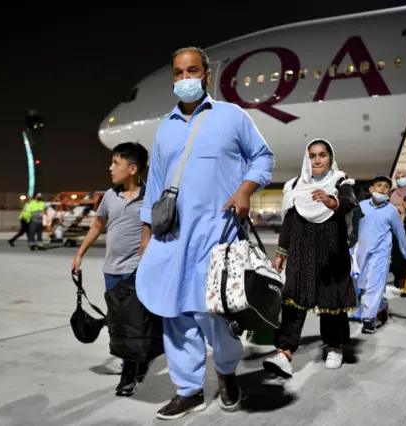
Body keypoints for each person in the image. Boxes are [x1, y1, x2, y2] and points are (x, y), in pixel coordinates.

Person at [137, 46, 274, 420]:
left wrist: (245, 189)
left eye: (192, 71)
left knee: (217, 313)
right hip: (172, 239)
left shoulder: (232, 117)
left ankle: (227, 375)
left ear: (207, 75)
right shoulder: (165, 127)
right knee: (175, 314)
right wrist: (146, 233)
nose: (185, 79)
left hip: (219, 235)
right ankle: (188, 390)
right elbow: (156, 186)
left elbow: (263, 157)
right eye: (178, 74)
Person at [263, 139, 357, 379]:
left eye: (323, 155)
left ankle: (335, 346)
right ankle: (284, 353)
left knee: (331, 302)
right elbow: (289, 222)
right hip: (300, 252)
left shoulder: (340, 181)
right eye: (313, 155)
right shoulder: (295, 185)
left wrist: (330, 201)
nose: (317, 160)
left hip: (330, 254)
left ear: (330, 157)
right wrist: (281, 253)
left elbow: (349, 205)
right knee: (293, 301)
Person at [71, 142, 150, 397]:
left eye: (116, 163)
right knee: (118, 321)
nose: (110, 167)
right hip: (111, 271)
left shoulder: (150, 197)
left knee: (132, 321)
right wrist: (80, 252)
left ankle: (130, 371)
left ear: (133, 168)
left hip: (135, 270)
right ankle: (134, 360)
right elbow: (97, 225)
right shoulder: (109, 196)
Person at [356, 175, 406, 334]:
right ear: (371, 189)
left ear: (389, 192)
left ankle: (369, 320)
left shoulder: (392, 211)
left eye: (386, 187)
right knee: (360, 286)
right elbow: (352, 230)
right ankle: (381, 305)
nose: (382, 188)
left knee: (374, 284)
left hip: (380, 254)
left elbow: (399, 233)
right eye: (379, 185)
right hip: (360, 253)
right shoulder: (360, 207)